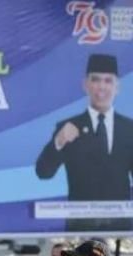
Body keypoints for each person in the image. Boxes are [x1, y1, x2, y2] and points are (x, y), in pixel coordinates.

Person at [35, 53, 133, 232]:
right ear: (85, 85)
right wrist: (58, 141)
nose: (101, 87)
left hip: (120, 227)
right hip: (80, 228)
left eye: (108, 81)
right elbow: (43, 172)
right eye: (95, 80)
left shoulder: (129, 129)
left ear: (117, 87)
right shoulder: (68, 127)